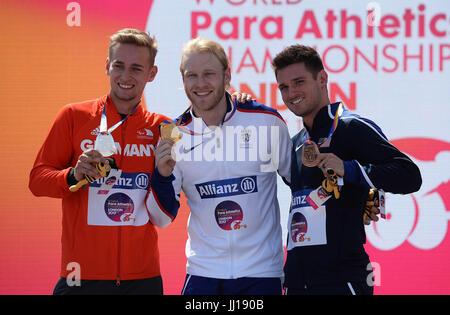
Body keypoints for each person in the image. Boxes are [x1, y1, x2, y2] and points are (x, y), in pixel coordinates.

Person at [271, 44, 422, 295]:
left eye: (298, 82)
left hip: (342, 281)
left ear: (322, 79)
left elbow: (409, 175)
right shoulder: (295, 142)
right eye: (284, 87)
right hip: (297, 281)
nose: (291, 93)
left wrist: (350, 170)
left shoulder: (350, 127)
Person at [146, 37, 292, 295]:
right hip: (204, 274)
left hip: (260, 274)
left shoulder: (265, 122)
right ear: (183, 80)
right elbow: (161, 217)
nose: (200, 84)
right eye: (192, 75)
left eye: (209, 74)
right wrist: (161, 174)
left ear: (227, 75)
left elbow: (300, 183)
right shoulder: (174, 134)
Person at [29, 28, 168, 295]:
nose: (125, 77)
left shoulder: (160, 128)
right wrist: (73, 175)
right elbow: (37, 181)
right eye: (118, 66)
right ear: (107, 66)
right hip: (80, 277)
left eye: (136, 68)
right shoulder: (73, 116)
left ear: (152, 74)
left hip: (142, 279)